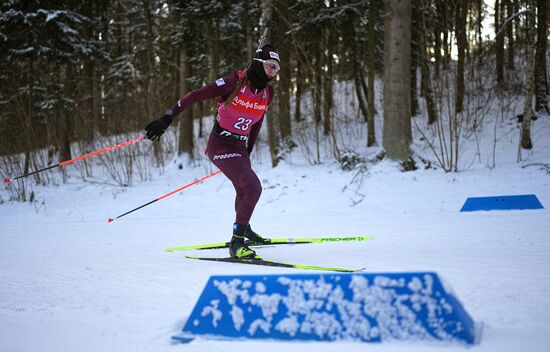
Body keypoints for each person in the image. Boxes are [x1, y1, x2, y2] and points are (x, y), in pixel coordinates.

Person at [144, 45, 281, 259]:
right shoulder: (233, 83)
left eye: (276, 69)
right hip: (221, 145)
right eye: (269, 66)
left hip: (239, 147)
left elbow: (258, 119)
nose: (273, 72)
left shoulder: (267, 92)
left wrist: (249, 148)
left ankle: (245, 231)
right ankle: (237, 244)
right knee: (253, 188)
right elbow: (195, 95)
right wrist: (167, 117)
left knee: (244, 189)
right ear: (257, 63)